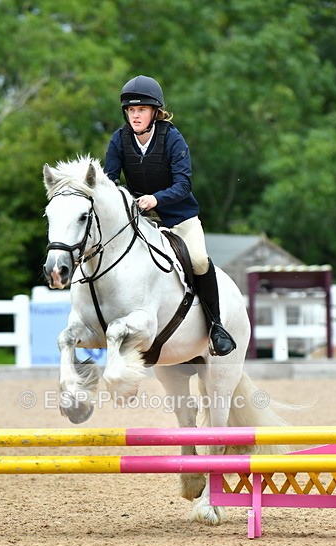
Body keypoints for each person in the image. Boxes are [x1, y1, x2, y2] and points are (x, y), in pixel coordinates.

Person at [104, 74, 236, 357]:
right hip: (141, 221)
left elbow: (183, 184)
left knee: (198, 260)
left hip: (179, 218)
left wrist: (156, 199)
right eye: (131, 110)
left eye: (141, 109)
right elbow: (109, 181)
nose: (135, 115)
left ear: (155, 112)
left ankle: (216, 326)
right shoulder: (119, 140)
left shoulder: (172, 138)